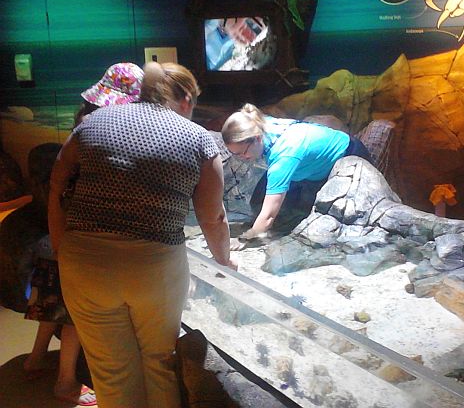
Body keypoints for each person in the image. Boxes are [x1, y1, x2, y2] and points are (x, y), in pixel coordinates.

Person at [48, 61, 234, 408]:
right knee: (160, 361)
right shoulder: (198, 139)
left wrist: (61, 248)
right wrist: (224, 261)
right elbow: (213, 218)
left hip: (84, 262)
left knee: (110, 368)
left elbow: (58, 186)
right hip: (154, 265)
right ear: (187, 99)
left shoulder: (92, 123)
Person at [22, 62, 144, 407]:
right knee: (76, 315)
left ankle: (34, 360)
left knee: (54, 304)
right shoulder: (106, 134)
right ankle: (65, 382)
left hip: (59, 235)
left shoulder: (82, 126)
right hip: (82, 240)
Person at [221, 103, 372, 249]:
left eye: (242, 153)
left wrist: (245, 239)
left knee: (304, 216)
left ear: (258, 139)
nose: (241, 158)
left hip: (349, 158)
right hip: (307, 165)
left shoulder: (284, 156)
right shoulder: (257, 123)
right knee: (258, 201)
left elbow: (268, 216)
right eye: (235, 154)